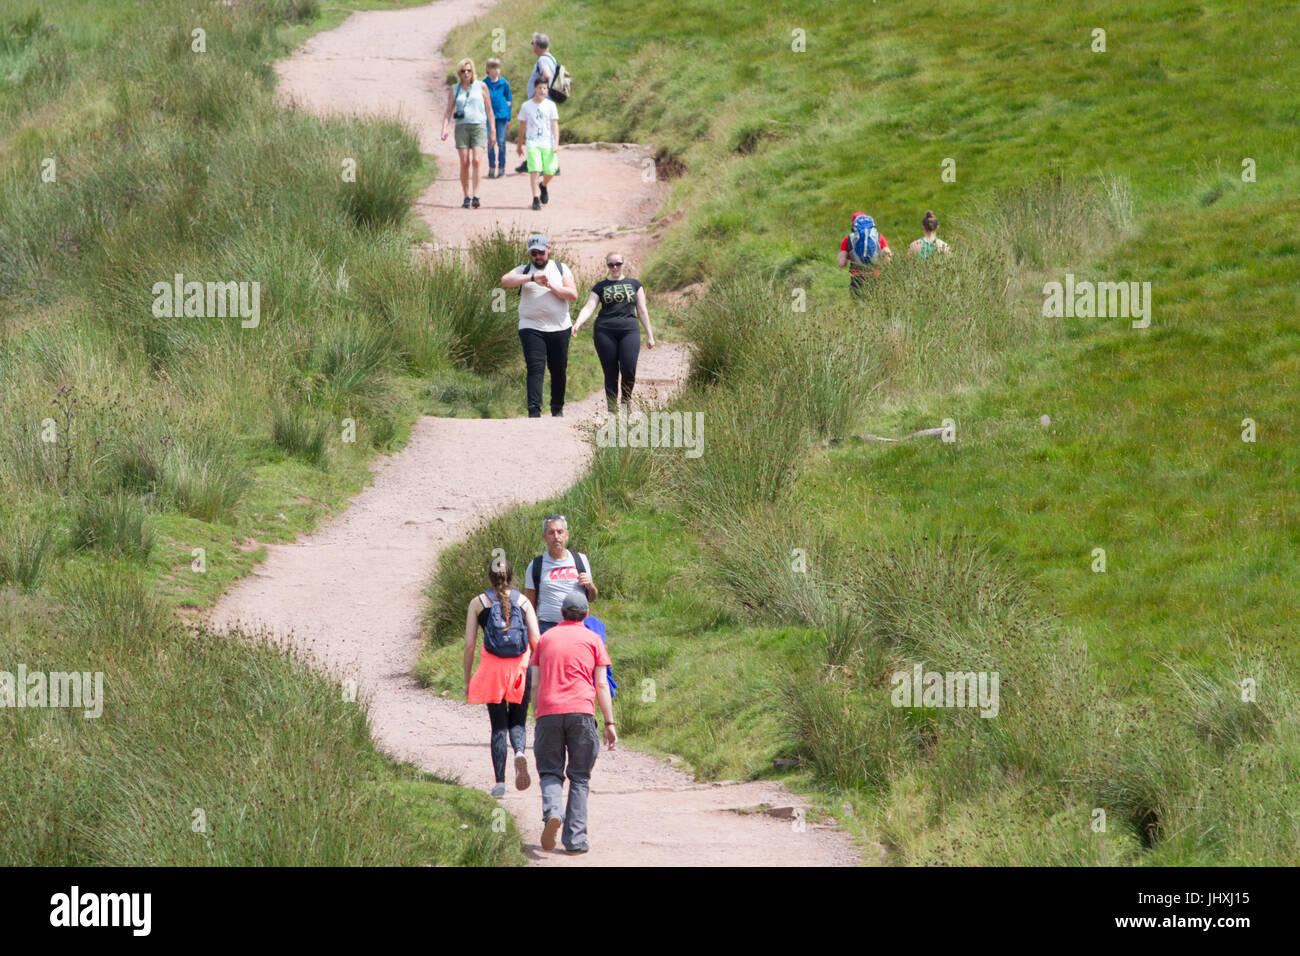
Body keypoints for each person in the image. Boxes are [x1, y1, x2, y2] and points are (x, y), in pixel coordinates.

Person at [531, 589, 616, 853]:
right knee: (579, 777)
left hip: (548, 713)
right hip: (582, 713)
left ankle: (553, 812)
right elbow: (601, 684)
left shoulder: (545, 639)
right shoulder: (593, 639)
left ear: (561, 614)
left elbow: (534, 683)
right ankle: (575, 840)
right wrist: (610, 723)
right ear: (586, 614)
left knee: (550, 772)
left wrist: (538, 712)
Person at [464, 558, 543, 797]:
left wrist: (468, 678)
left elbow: (469, 645)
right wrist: (541, 672)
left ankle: (500, 783)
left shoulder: (478, 603)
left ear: (489, 577)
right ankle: (520, 752)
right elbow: (537, 640)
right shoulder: (524, 601)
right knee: (518, 721)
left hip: (492, 671)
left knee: (498, 725)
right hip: (521, 668)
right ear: (511, 576)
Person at [500, 234, 579, 417]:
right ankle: (534, 411)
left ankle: (557, 408)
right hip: (531, 326)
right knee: (535, 367)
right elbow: (505, 281)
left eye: (541, 252)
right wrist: (532, 278)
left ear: (548, 249)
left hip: (559, 327)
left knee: (558, 369)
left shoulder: (561, 268)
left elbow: (572, 294)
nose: (537, 257)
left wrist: (551, 286)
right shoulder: (525, 270)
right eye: (534, 253)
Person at [570, 251, 656, 413]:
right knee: (610, 372)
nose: (615, 267)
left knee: (629, 369)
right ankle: (612, 409)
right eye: (611, 264)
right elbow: (590, 306)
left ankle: (626, 402)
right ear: (607, 266)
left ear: (623, 264)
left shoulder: (635, 284)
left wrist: (650, 335)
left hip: (629, 330)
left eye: (618, 264)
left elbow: (642, 310)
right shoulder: (600, 286)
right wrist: (578, 323)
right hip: (605, 331)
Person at [525, 514, 597, 634]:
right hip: (547, 627)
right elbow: (529, 606)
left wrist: (591, 586)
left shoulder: (580, 560)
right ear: (544, 537)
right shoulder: (535, 565)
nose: (556, 537)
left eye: (560, 532)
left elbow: (592, 598)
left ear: (567, 535)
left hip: (577, 625)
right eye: (551, 533)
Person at [440, 57, 495, 209]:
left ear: (473, 72)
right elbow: (448, 111)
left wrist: (493, 131)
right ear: (459, 73)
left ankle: (476, 195)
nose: (466, 74)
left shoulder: (481, 86)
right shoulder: (455, 89)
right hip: (462, 127)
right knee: (464, 162)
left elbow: (490, 111)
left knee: (477, 160)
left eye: (469, 70)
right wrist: (444, 129)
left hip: (478, 126)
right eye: (463, 71)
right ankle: (466, 195)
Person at [515, 33, 559, 174]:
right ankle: (532, 162)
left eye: (533, 44)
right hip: (544, 101)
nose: (532, 47)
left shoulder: (543, 60)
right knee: (540, 131)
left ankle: (550, 165)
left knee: (538, 130)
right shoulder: (551, 58)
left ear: (537, 45)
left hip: (540, 103)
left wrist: (538, 93)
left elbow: (546, 75)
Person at [516, 79, 559, 210]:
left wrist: (556, 143)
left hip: (547, 141)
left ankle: (543, 185)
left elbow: (554, 125)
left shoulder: (551, 106)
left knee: (551, 170)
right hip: (533, 141)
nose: (542, 90)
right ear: (535, 89)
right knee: (535, 169)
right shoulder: (526, 106)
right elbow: (522, 125)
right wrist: (519, 144)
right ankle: (535, 198)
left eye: (545, 88)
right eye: (540, 88)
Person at [836, 211, 893, 299]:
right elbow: (888, 259)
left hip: (857, 279)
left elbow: (841, 264)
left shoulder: (848, 239)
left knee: (859, 307)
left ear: (853, 224)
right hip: (875, 277)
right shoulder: (879, 237)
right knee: (875, 306)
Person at [483, 58, 512, 179]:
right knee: (491, 142)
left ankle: (501, 168)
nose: (496, 71)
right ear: (488, 69)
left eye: (498, 68)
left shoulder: (504, 83)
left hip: (501, 116)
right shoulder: (484, 83)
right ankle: (491, 166)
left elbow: (509, 100)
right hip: (489, 117)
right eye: (493, 68)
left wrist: (508, 117)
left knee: (501, 142)